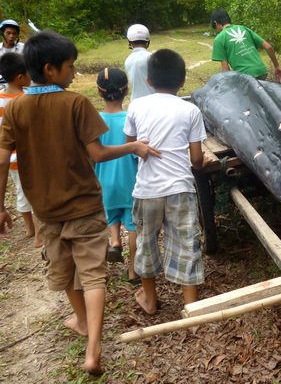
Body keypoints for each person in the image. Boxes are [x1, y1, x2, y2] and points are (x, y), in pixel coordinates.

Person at [0, 30, 161, 374]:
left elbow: (2, 158)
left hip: (46, 210)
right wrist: (133, 147)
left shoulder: (16, 109)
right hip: (86, 205)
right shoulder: (75, 103)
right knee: (92, 276)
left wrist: (0, 206)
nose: (74, 73)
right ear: (52, 69)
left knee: (64, 270)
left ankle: (83, 323)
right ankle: (93, 348)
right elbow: (98, 153)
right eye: (71, 66)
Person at [124, 48, 211, 315]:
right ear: (183, 82)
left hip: (147, 190)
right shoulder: (190, 110)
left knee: (146, 244)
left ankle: (150, 301)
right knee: (187, 243)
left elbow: (131, 146)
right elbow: (195, 158)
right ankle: (191, 306)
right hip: (180, 189)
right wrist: (200, 163)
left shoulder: (136, 105)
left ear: (148, 80)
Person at [94, 67, 140, 283]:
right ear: (126, 90)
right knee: (133, 226)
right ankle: (132, 270)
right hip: (130, 181)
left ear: (99, 92)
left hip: (104, 183)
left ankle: (114, 241)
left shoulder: (93, 120)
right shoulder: (132, 119)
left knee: (112, 214)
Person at [0, 52, 40, 246]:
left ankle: (29, 229)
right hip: (29, 156)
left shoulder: (0, 99)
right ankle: (39, 234)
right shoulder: (27, 99)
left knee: (20, 191)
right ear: (20, 77)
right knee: (36, 192)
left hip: (9, 157)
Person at [210, 9, 281, 83]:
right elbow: (268, 47)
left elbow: (225, 69)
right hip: (261, 71)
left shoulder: (219, 39)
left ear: (215, 23)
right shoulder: (243, 28)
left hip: (245, 77)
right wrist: (277, 66)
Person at [124, 24, 155, 100]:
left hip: (136, 102)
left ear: (129, 41)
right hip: (153, 100)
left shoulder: (128, 60)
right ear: (148, 40)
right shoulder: (152, 57)